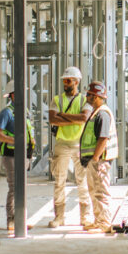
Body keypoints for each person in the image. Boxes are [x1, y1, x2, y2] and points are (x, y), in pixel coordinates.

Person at [47, 66, 93, 228]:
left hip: (79, 145)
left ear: (77, 81)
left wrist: (63, 116)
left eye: (68, 81)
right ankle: (59, 217)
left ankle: (85, 216)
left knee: (83, 181)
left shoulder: (84, 100)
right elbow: (53, 119)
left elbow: (84, 118)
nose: (65, 84)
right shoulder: (56, 100)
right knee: (59, 181)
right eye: (64, 81)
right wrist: (72, 118)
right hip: (62, 144)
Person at [0, 79, 35, 233]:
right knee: (14, 188)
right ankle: (12, 221)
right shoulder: (7, 112)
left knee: (21, 188)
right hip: (11, 155)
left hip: (23, 155)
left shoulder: (25, 111)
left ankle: (20, 220)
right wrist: (13, 140)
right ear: (12, 95)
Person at [80, 81, 119, 234]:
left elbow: (103, 138)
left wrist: (95, 157)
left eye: (89, 94)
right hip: (94, 160)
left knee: (100, 192)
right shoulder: (96, 112)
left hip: (99, 160)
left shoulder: (102, 114)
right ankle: (98, 221)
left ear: (96, 96)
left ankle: (104, 223)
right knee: (94, 191)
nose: (87, 96)